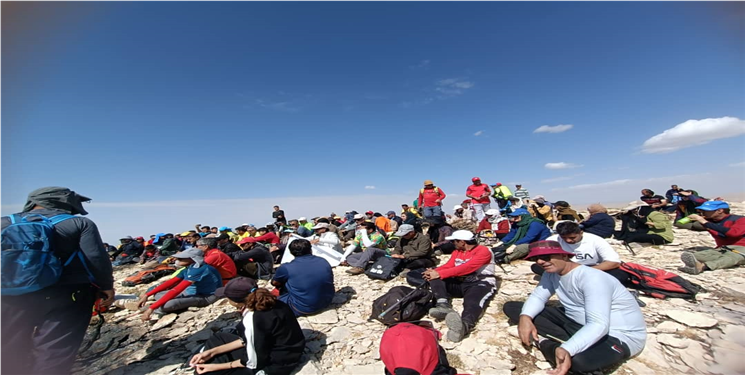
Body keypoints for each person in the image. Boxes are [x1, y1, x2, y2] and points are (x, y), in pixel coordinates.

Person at [0, 187, 115, 375]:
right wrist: (106, 287)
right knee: (55, 348)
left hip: (9, 295)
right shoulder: (78, 223)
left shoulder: (4, 222)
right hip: (68, 295)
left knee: (8, 345)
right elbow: (95, 259)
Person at [503, 241, 646, 375]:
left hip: (616, 334)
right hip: (576, 321)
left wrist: (567, 348)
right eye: (536, 259)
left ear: (564, 255)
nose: (540, 262)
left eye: (546, 257)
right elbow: (538, 297)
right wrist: (525, 318)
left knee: (578, 362)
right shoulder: (551, 273)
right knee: (513, 308)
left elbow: (599, 324)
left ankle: (546, 343)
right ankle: (569, 341)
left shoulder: (592, 278)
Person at [190, 278, 305, 375]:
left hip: (277, 364)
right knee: (218, 338)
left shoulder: (254, 317)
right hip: (287, 349)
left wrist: (218, 367)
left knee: (206, 372)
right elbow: (251, 338)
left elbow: (253, 362)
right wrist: (212, 352)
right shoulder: (274, 303)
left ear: (236, 302)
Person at [424, 230, 496, 342]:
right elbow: (449, 266)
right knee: (436, 278)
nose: (453, 243)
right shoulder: (457, 252)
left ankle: (465, 326)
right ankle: (443, 305)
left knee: (472, 302)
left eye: (454, 241)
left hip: (479, 283)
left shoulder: (483, 251)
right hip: (461, 282)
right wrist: (433, 271)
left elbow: (468, 267)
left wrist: (440, 273)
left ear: (462, 242)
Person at [137, 248, 222, 320]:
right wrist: (147, 295)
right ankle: (161, 305)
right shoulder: (190, 267)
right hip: (190, 292)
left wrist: (151, 308)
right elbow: (171, 282)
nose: (178, 260)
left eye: (181, 259)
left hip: (206, 296)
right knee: (157, 294)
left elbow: (177, 290)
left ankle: (158, 308)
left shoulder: (199, 269)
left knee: (168, 305)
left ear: (193, 259)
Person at [542, 222, 628, 283]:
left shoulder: (595, 240)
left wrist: (585, 271)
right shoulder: (552, 241)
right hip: (565, 269)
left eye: (572, 238)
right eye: (564, 238)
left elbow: (614, 262)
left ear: (581, 233)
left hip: (593, 268)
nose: (568, 240)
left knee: (619, 275)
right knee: (538, 268)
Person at [678, 200, 745, 275]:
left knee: (732, 257)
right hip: (723, 248)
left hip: (741, 247)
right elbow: (678, 224)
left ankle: (703, 266)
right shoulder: (710, 221)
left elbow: (733, 233)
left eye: (706, 210)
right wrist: (684, 216)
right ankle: (698, 263)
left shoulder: (740, 220)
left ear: (720, 210)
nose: (703, 212)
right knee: (695, 256)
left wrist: (704, 222)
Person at [272, 239, 335, 316]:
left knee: (269, 302)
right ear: (310, 249)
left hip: (302, 308)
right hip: (327, 301)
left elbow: (275, 283)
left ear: (291, 252)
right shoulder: (323, 261)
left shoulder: (286, 267)